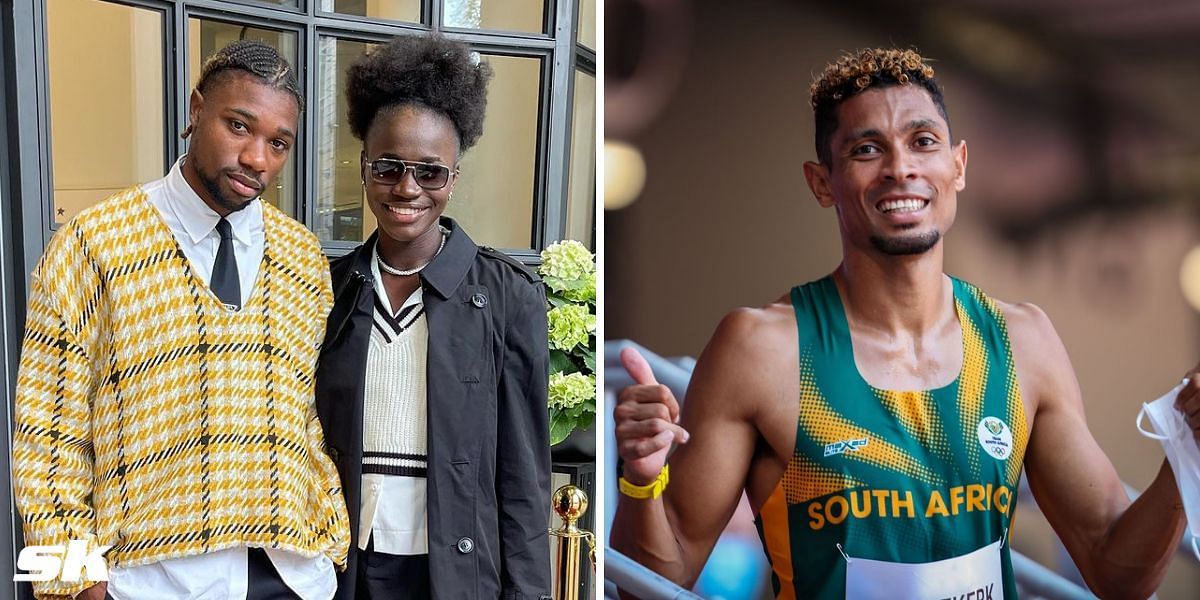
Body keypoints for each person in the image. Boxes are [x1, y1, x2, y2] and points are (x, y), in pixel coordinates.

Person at [611, 48, 1196, 599]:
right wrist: (640, 479)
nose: (901, 169)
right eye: (867, 150)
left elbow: (1118, 573)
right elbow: (661, 573)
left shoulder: (1024, 341)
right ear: (822, 183)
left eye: (923, 142)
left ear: (957, 165)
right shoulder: (762, 350)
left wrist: (1186, 449)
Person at [12, 40, 349, 600]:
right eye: (239, 126)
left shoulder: (303, 256)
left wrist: (330, 543)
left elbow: (304, 412)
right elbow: (45, 434)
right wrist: (70, 583)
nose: (257, 159)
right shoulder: (93, 244)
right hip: (148, 579)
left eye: (278, 143)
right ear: (196, 111)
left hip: (296, 572)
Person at [313, 34, 552, 600]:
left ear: (454, 178)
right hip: (344, 561)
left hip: (453, 567)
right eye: (389, 168)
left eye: (430, 173)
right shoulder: (331, 287)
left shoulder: (506, 296)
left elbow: (524, 476)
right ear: (365, 166)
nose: (407, 189)